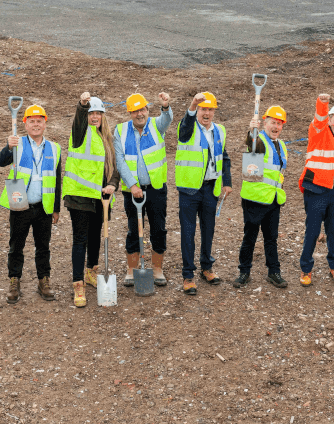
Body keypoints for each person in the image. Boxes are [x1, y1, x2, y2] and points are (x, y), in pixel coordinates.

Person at [0, 103, 63, 304]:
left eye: (39, 121)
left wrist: (56, 208)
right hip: (20, 205)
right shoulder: (18, 143)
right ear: (25, 124)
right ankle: (14, 281)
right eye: (31, 121)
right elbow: (0, 162)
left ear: (45, 123)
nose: (36, 125)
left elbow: (57, 179)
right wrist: (9, 147)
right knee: (16, 245)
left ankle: (44, 280)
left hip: (43, 206)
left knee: (43, 246)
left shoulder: (54, 148)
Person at [64, 93, 121, 307]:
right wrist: (82, 105)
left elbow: (114, 167)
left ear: (103, 116)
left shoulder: (107, 138)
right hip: (79, 196)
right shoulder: (80, 133)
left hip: (100, 198)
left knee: (96, 236)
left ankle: (91, 271)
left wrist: (113, 184)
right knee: (80, 239)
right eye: (91, 113)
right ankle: (78, 284)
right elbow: (79, 120)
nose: (94, 116)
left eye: (98, 113)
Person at [174, 92, 232, 295]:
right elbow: (183, 132)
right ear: (197, 110)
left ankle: (206, 267)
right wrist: (191, 105)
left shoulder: (220, 131)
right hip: (189, 189)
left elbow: (224, 156)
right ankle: (188, 275)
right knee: (188, 233)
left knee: (208, 231)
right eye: (202, 109)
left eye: (210, 109)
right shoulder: (188, 128)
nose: (206, 113)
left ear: (214, 111)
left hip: (210, 189)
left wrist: (227, 181)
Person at [115, 92, 173, 288]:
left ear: (148, 110)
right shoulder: (120, 131)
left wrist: (165, 106)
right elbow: (120, 160)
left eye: (143, 109)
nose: (140, 114)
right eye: (135, 111)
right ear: (130, 113)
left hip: (156, 188)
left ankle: (157, 269)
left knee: (159, 229)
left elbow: (167, 118)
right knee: (133, 229)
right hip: (132, 191)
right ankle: (132, 270)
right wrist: (132, 185)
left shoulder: (157, 125)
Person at [234, 105, 291, 289]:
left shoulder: (282, 145)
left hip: (273, 199)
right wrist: (252, 132)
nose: (276, 127)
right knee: (250, 237)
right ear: (265, 123)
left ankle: (274, 272)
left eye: (279, 124)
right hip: (255, 199)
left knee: (271, 238)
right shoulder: (260, 140)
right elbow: (253, 146)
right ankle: (244, 272)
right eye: (273, 123)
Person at [299, 94, 334, 286]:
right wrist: (323, 103)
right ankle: (306, 269)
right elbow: (319, 119)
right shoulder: (319, 131)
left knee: (332, 230)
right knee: (312, 231)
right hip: (316, 190)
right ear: (329, 119)